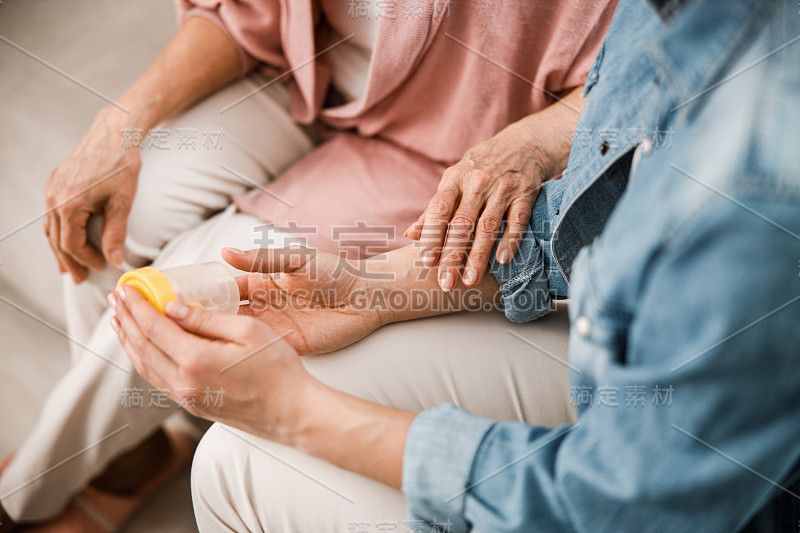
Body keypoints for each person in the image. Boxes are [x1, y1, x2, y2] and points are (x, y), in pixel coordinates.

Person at [111, 0, 800, 530]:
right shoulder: (677, 20)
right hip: (616, 352)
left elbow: (615, 501)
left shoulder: (762, 176)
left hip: (672, 479)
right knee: (242, 436)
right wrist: (374, 286)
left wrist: (298, 412)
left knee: (244, 468)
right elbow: (606, 196)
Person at [0, 1, 617, 530]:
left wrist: (534, 139)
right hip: (308, 81)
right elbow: (247, 13)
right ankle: (126, 456)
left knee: (199, 278)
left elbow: (643, 79)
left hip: (456, 151)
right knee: (107, 214)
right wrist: (121, 123)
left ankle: (30, 493)